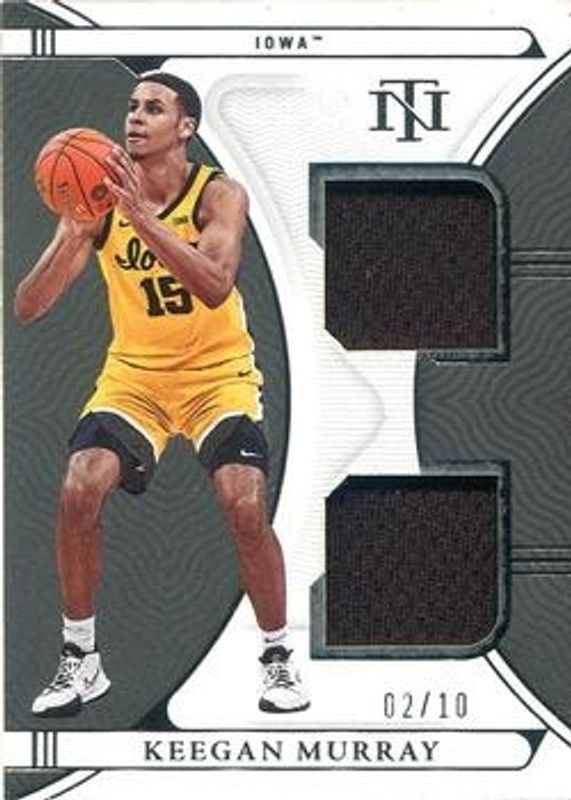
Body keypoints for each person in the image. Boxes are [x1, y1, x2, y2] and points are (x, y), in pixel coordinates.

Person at [15, 72, 309, 717]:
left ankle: (277, 656)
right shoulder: (98, 199)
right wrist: (73, 233)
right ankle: (81, 657)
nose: (135, 117)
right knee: (78, 489)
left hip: (217, 374)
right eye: (131, 106)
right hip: (137, 378)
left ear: (185, 127)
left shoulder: (218, 195)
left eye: (153, 108)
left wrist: (142, 220)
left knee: (243, 503)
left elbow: (214, 284)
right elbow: (28, 307)